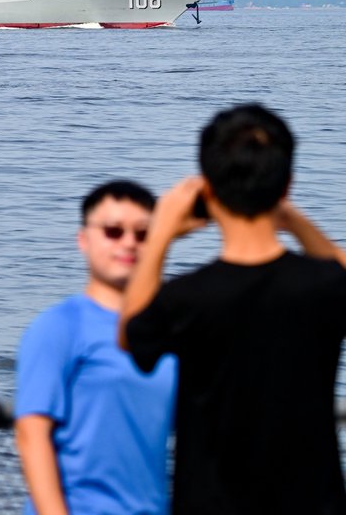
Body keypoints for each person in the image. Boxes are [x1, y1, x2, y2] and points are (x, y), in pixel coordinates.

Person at [119, 104, 346, 514]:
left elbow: (130, 334)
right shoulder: (324, 286)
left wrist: (162, 232)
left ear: (208, 190)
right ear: (286, 186)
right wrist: (290, 218)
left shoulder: (187, 298)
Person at [15, 181, 176, 515]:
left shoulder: (170, 334)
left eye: (143, 234)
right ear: (84, 240)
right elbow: (32, 435)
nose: (129, 243)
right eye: (114, 231)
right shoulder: (59, 326)